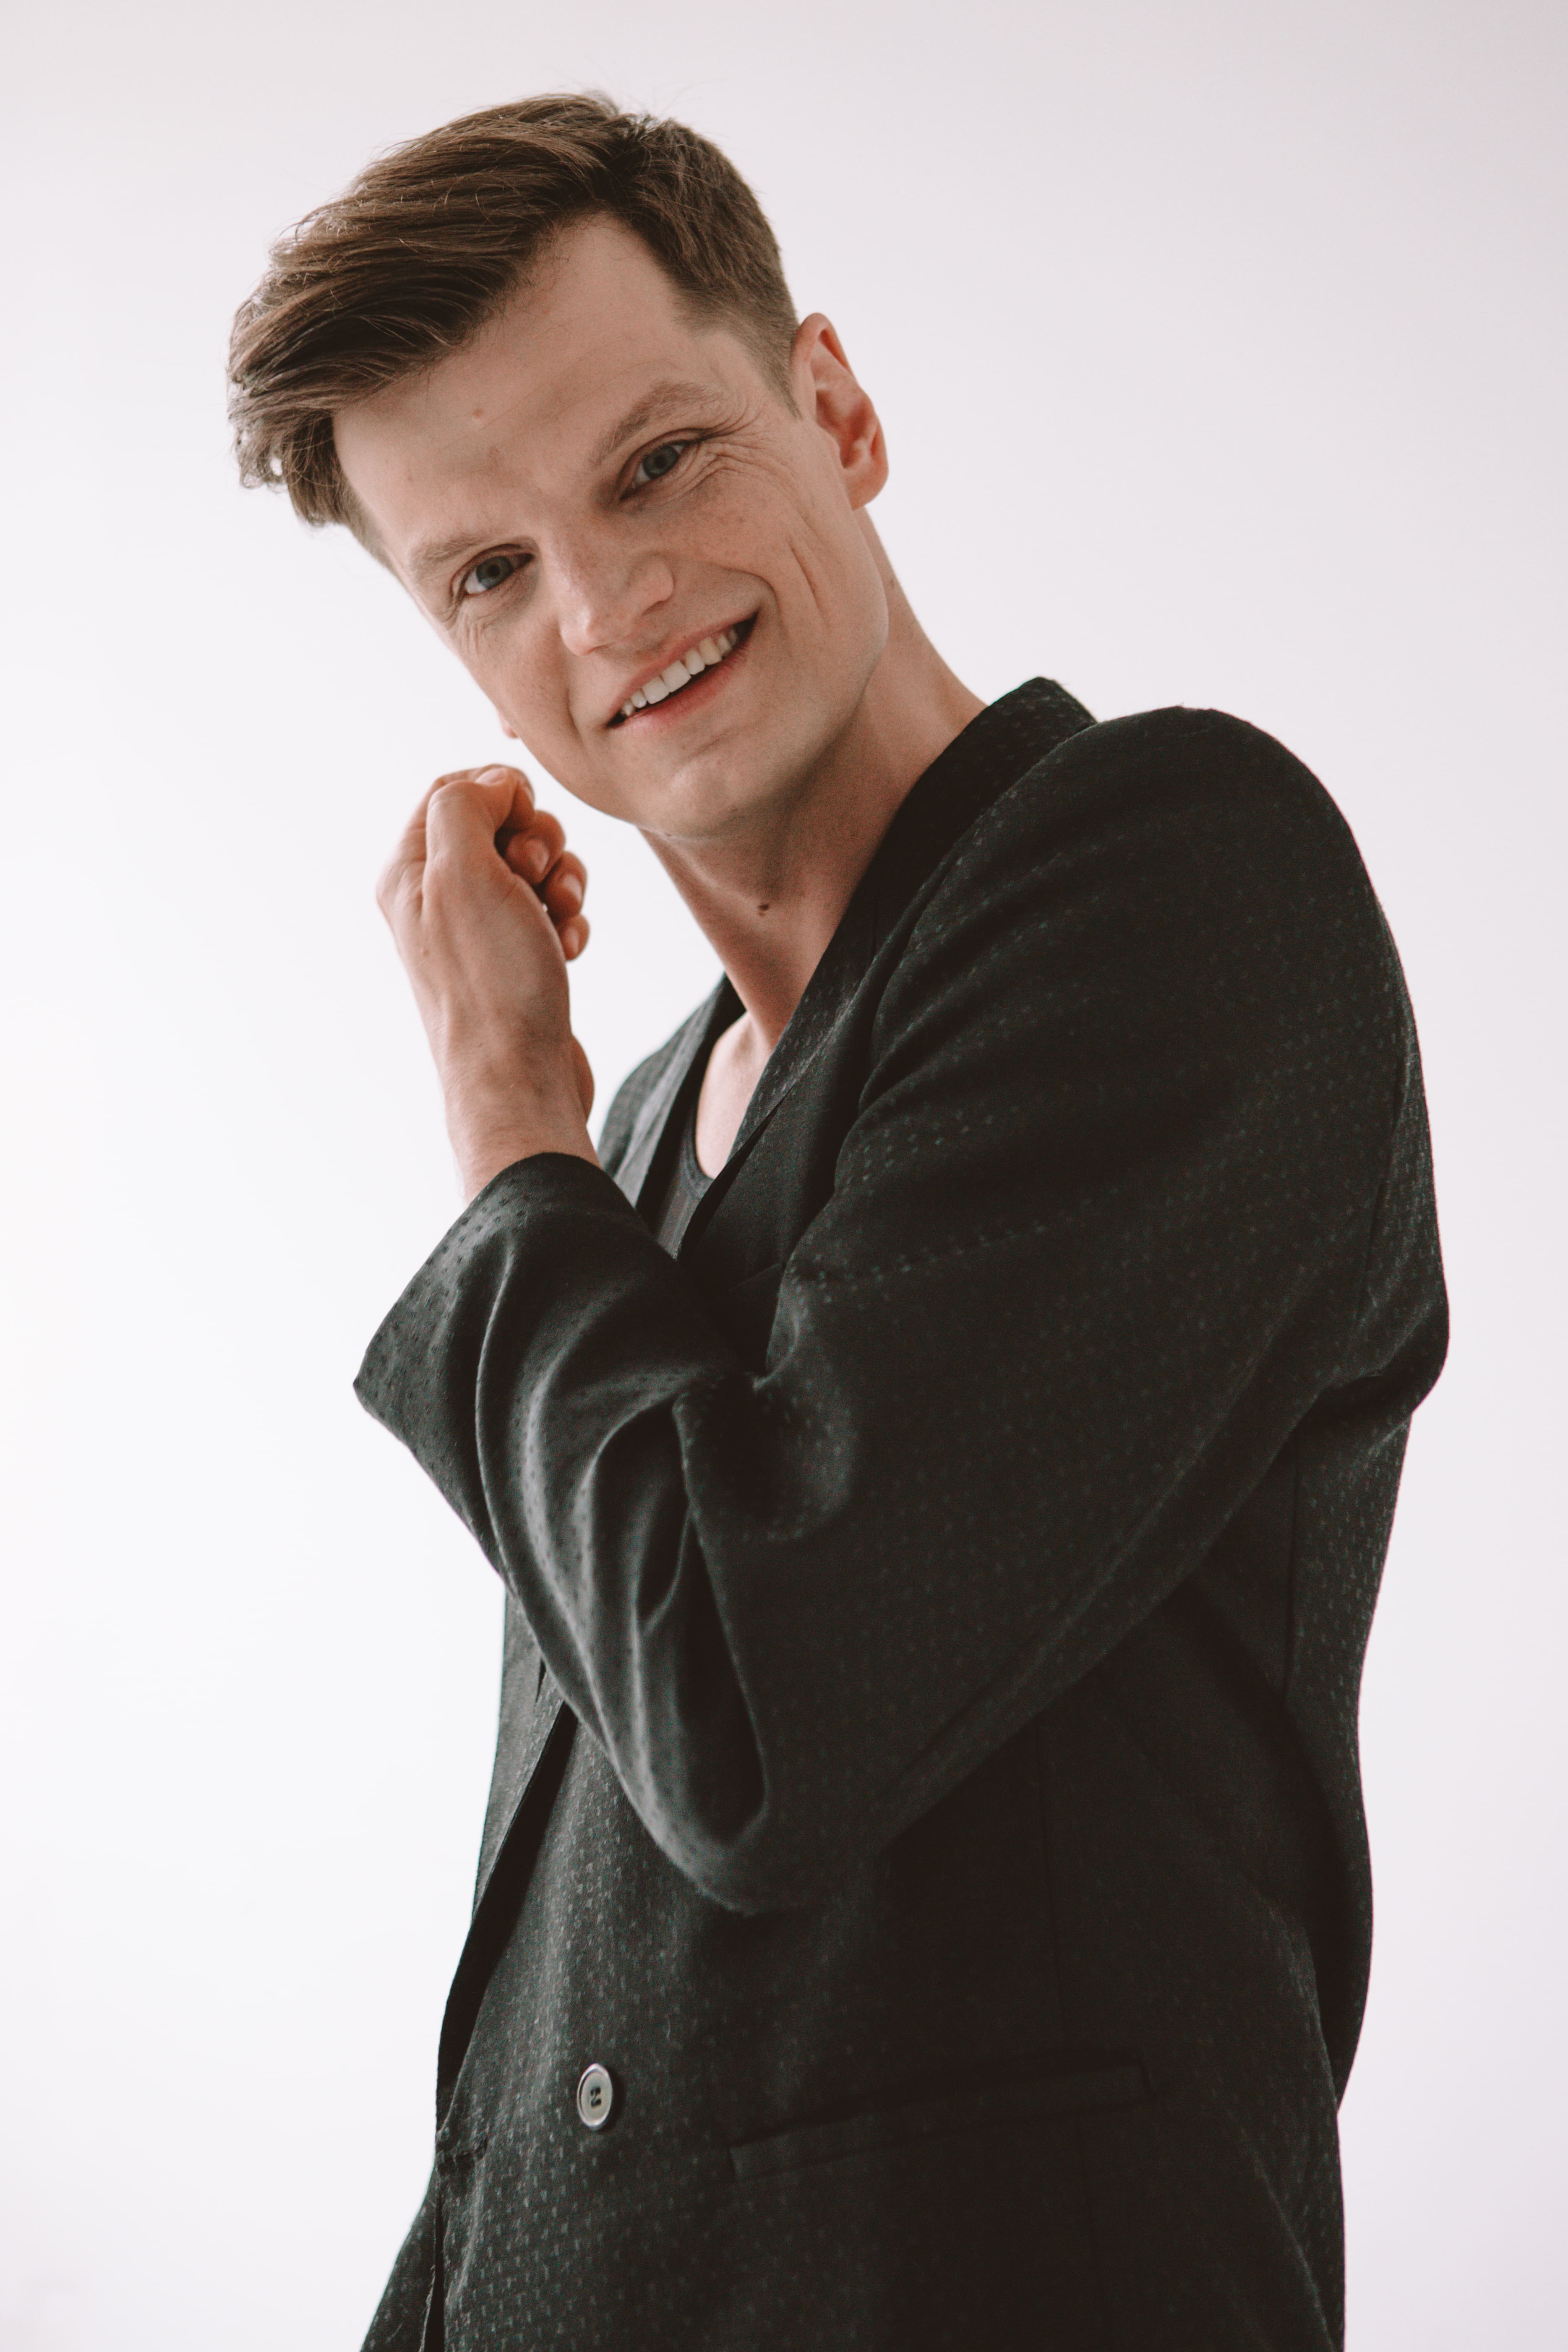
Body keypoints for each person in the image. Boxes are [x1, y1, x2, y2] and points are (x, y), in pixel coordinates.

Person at [228, 93, 1447, 2352]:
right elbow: (576, 2017)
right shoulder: (642, 1135)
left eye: (657, 461)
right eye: (484, 574)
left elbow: (755, 1728)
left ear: (838, 410)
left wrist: (502, 1113)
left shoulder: (1175, 873)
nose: (602, 605)